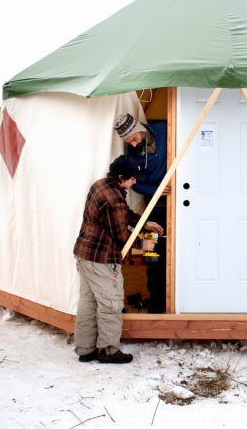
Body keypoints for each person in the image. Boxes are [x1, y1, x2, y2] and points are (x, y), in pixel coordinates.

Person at [72, 153, 163, 364]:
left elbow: (122, 214)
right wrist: (143, 245)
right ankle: (108, 350)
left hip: (84, 255)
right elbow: (122, 237)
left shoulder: (102, 185)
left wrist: (143, 223)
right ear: (121, 176)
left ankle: (85, 349)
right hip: (101, 260)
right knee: (111, 304)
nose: (134, 182)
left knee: (88, 302)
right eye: (132, 179)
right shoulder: (113, 198)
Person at [114, 112, 169, 313]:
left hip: (180, 202)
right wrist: (156, 191)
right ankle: (156, 302)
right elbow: (135, 185)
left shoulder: (164, 129)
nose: (134, 145)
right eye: (129, 142)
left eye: (135, 139)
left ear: (140, 129)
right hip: (154, 207)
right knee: (153, 256)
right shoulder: (131, 155)